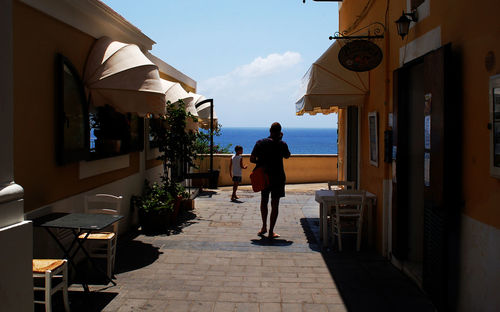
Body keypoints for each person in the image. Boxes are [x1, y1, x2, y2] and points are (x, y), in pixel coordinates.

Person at [250, 122, 291, 239]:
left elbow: (252, 159)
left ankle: (263, 226)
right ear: (280, 132)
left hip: (264, 176)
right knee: (275, 204)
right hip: (278, 177)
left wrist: (261, 162)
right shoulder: (282, 144)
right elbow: (287, 156)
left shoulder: (260, 143)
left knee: (264, 201)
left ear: (269, 130)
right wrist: (281, 139)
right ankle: (271, 231)